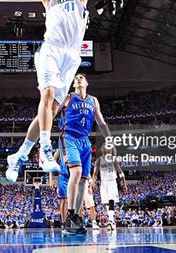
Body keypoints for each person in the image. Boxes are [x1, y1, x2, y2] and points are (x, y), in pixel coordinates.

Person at [5, 0, 88, 182]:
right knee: (48, 92)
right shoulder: (50, 2)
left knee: (50, 111)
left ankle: (20, 155)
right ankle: (45, 150)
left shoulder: (80, 0)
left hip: (71, 56)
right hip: (51, 49)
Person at [57, 73, 111, 234]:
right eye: (76, 78)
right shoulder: (67, 97)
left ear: (86, 82)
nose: (79, 78)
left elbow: (101, 122)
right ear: (74, 84)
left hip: (85, 141)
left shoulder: (93, 100)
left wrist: (110, 141)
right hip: (69, 137)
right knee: (77, 171)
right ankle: (71, 216)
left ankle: (77, 218)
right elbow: (51, 112)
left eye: (82, 77)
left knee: (83, 181)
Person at [91, 145, 127, 230]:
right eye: (103, 149)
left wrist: (124, 184)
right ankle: (111, 220)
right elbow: (95, 173)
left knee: (111, 200)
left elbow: (120, 172)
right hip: (103, 182)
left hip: (112, 181)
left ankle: (111, 221)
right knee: (106, 202)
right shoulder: (99, 160)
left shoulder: (113, 159)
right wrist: (93, 182)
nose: (105, 150)